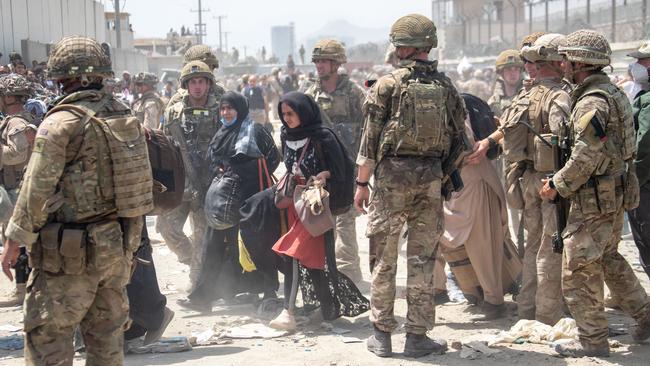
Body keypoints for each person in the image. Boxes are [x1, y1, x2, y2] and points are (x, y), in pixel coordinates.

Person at [0, 35, 153, 365]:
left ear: (61, 78)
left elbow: (35, 190)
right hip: (114, 252)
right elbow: (138, 195)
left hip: (66, 258)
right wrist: (128, 250)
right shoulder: (124, 117)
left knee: (47, 340)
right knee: (107, 344)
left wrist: (14, 242)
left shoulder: (59, 123)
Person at [354, 14, 469, 358]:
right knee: (422, 259)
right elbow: (460, 141)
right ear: (429, 45)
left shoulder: (387, 85)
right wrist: (443, 176)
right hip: (431, 181)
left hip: (391, 182)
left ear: (402, 47)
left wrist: (362, 184)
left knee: (384, 260)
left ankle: (382, 335)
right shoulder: (447, 87)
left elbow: (369, 142)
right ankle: (417, 336)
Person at [539, 29, 650, 357]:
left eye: (567, 60)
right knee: (609, 259)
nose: (562, 65)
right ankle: (645, 317)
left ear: (581, 63)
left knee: (578, 269)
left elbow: (587, 153)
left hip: (594, 198)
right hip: (611, 193)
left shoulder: (592, 100)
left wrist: (557, 184)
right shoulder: (609, 93)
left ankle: (593, 340)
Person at [466, 32, 567, 325]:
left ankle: (529, 307)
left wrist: (488, 141)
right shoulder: (558, 93)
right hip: (550, 180)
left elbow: (509, 126)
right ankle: (546, 313)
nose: (526, 68)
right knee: (548, 246)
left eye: (529, 62)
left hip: (533, 178)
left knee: (535, 245)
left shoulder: (532, 92)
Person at [269, 91, 369, 331]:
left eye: (291, 113)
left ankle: (288, 311)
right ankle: (327, 308)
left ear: (303, 112)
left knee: (292, 253)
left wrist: (325, 176)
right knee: (313, 262)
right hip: (295, 204)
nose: (287, 118)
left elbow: (342, 169)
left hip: (316, 207)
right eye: (283, 114)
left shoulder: (323, 137)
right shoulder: (286, 134)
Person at [179, 91, 280, 310]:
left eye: (230, 108)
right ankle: (202, 298)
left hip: (250, 199)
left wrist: (247, 174)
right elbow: (211, 162)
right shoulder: (221, 133)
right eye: (223, 108)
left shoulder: (255, 131)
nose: (226, 113)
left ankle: (268, 291)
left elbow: (273, 157)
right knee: (214, 245)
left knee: (255, 245)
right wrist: (222, 171)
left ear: (240, 109)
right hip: (223, 201)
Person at [305, 39, 365, 283]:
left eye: (325, 61)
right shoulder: (310, 94)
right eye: (317, 61)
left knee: (345, 222)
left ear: (337, 63)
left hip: (346, 169)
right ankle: (321, 273)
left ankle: (348, 276)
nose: (320, 66)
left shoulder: (353, 93)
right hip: (319, 171)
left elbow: (367, 129)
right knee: (317, 221)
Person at [159, 60, 221, 287]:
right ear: (186, 84)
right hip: (181, 183)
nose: (197, 87)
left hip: (209, 184)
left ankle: (197, 285)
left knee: (202, 236)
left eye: (201, 82)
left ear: (208, 84)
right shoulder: (173, 112)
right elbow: (164, 148)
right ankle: (191, 259)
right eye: (193, 82)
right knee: (165, 227)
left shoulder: (219, 110)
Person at [0, 74, 36, 307]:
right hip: (19, 188)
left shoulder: (16, 123)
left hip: (18, 189)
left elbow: (18, 153)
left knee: (18, 240)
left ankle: (23, 291)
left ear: (10, 96)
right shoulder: (16, 120)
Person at [627, 41, 650, 281]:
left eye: (643, 60)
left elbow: (644, 147)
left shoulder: (648, 100)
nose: (637, 66)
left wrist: (633, 181)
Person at [488, 49, 524, 117]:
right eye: (509, 69)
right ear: (501, 73)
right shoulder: (494, 102)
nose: (513, 73)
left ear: (520, 72)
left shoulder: (530, 96)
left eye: (516, 69)